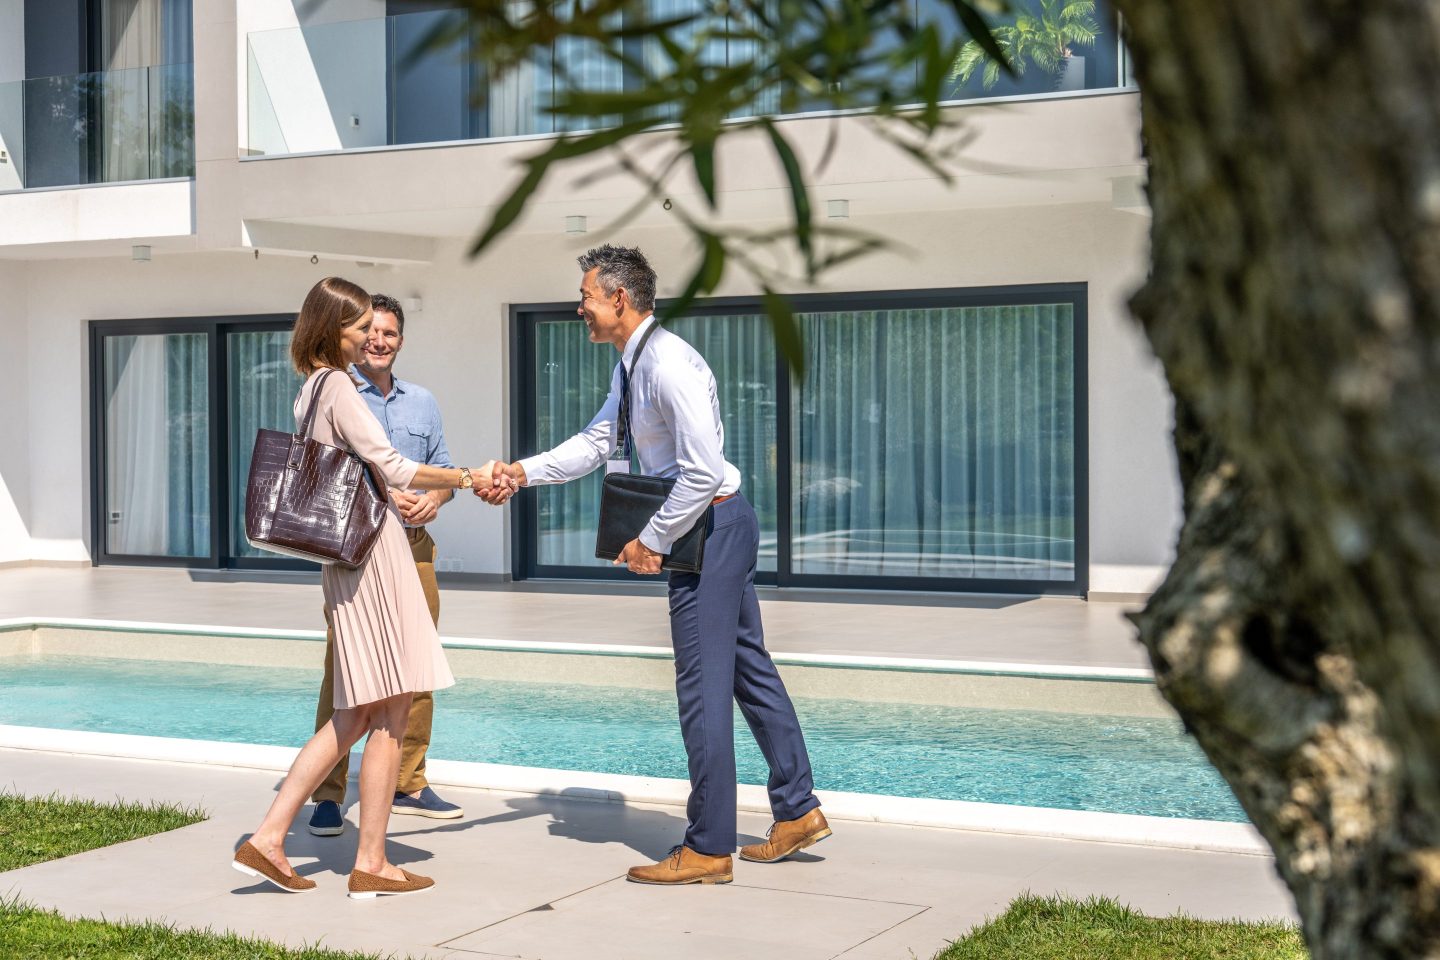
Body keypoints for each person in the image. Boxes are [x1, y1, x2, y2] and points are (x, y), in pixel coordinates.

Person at [480, 245, 830, 885]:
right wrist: (520, 474)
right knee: (748, 671)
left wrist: (653, 539)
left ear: (619, 298)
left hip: (709, 529)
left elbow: (701, 470)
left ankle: (708, 848)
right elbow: (596, 442)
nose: (579, 308)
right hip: (716, 526)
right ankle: (798, 809)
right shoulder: (633, 364)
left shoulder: (666, 365)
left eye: (585, 295)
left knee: (702, 690)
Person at [232, 277, 496, 899]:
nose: (366, 336)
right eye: (357, 326)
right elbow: (392, 464)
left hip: (353, 557)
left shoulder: (311, 389)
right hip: (376, 554)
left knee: (363, 712)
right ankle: (348, 857)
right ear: (333, 328)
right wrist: (469, 476)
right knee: (386, 708)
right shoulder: (336, 386)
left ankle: (294, 844)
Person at [307, 293, 464, 838]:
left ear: (401, 340)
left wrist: (436, 498)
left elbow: (438, 468)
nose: (378, 341)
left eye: (390, 333)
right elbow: (343, 470)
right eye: (369, 330)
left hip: (413, 548)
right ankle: (328, 793)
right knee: (344, 670)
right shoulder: (338, 390)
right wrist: (467, 478)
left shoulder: (423, 402)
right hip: (359, 552)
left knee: (418, 666)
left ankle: (408, 782)